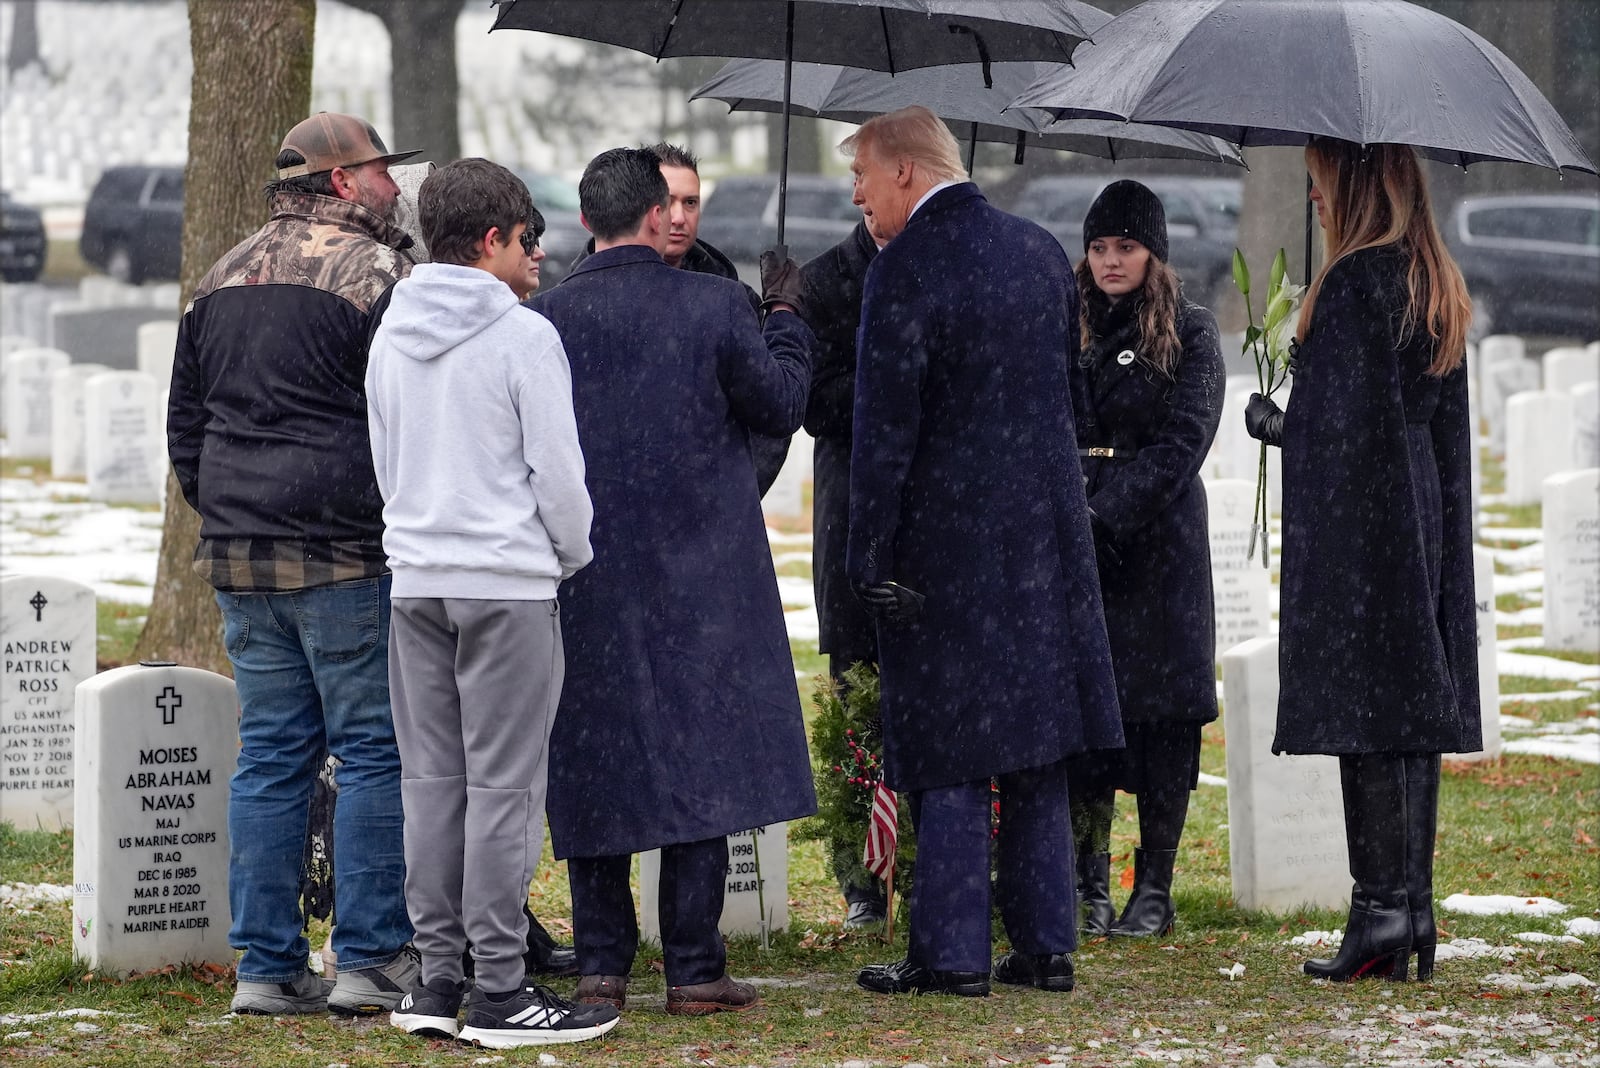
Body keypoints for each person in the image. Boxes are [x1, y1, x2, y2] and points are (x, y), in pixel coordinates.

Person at [528, 147, 817, 1016]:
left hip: (588, 570)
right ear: (659, 216)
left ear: (585, 222)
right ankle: (694, 966)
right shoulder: (717, 305)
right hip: (701, 569)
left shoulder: (546, 319)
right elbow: (777, 405)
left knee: (595, 755)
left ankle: (603, 964)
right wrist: (785, 319)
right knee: (701, 756)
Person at [843, 106, 1123, 998]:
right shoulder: (1040, 250)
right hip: (1041, 535)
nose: (857, 197)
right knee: (1036, 740)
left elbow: (884, 429)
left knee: (953, 748)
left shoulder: (906, 267)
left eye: (861, 177)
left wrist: (868, 554)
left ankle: (952, 953)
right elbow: (1068, 400)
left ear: (904, 172)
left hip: (943, 541)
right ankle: (1046, 944)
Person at [167, 112, 421, 1016]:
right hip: (347, 550)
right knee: (372, 752)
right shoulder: (382, 276)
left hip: (241, 553)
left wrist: (235, 510)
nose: (398, 186)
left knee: (270, 756)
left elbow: (185, 431)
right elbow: (407, 417)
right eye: (385, 171)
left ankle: (266, 967)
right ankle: (370, 958)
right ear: (344, 181)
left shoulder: (217, 276)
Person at [363, 158, 615, 1047]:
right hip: (505, 584)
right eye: (528, 238)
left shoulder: (391, 332)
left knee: (433, 785)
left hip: (418, 581)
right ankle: (501, 990)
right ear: (492, 241)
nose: (540, 254)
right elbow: (560, 476)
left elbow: (386, 462)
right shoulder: (521, 337)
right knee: (505, 788)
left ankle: (437, 980)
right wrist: (567, 555)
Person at [1245, 136, 1480, 982]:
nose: (1311, 195)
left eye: (1318, 179)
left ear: (1352, 180)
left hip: (1362, 519)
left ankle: (1379, 907)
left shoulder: (1354, 283)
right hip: (1414, 502)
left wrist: (1277, 423)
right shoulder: (1431, 278)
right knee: (1410, 702)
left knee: (1369, 709)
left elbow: (1337, 430)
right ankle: (1411, 906)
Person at [1068, 180, 1224, 938]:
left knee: (1164, 721)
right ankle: (1087, 882)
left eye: (1125, 246)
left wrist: (1108, 513)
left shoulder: (1191, 332)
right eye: (1098, 247)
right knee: (1088, 719)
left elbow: (1184, 440)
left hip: (1158, 547)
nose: (1109, 260)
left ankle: (1153, 886)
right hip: (1076, 542)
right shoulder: (1066, 326)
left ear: (1152, 252)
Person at [565, 142, 789, 492]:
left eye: (691, 202)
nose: (679, 217)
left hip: (712, 519)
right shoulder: (568, 305)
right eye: (668, 201)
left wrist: (731, 494)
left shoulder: (733, 299)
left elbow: (769, 418)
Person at [799, 214, 888, 928]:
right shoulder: (829, 279)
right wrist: (894, 375)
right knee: (854, 698)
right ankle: (862, 875)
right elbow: (814, 402)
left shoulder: (941, 263)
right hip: (853, 506)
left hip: (930, 512)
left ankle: (923, 859)